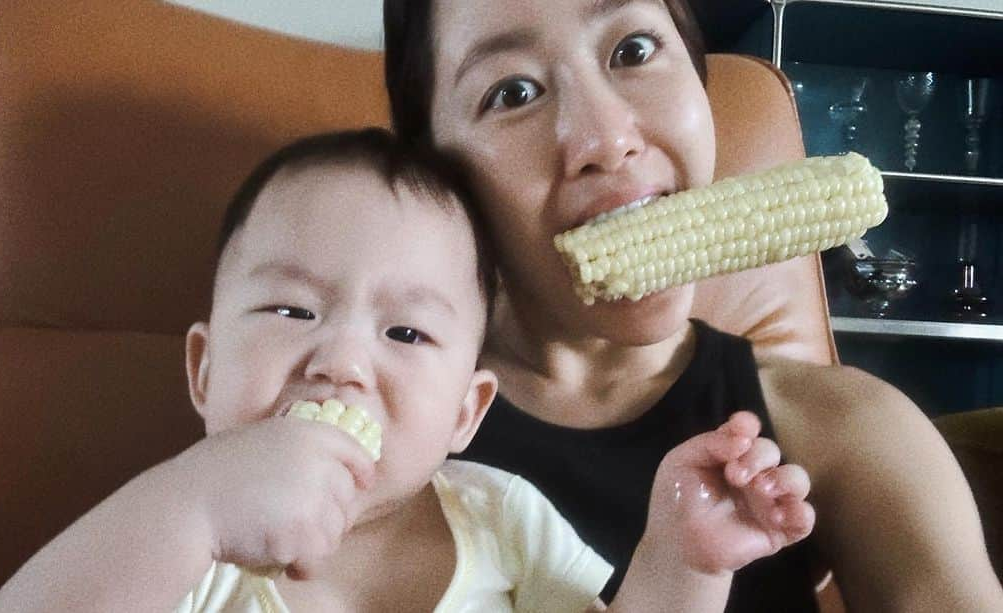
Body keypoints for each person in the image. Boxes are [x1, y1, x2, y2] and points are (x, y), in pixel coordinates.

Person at [0, 129, 815, 613]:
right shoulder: (172, 543)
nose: (340, 361)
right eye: (290, 311)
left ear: (466, 410)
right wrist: (192, 503)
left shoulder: (503, 521)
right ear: (203, 369)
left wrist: (685, 565)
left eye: (408, 331)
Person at [382, 1, 1003, 611]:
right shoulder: (371, 422)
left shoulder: (845, 426)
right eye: (513, 93)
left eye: (634, 51)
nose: (608, 138)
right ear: (436, 172)